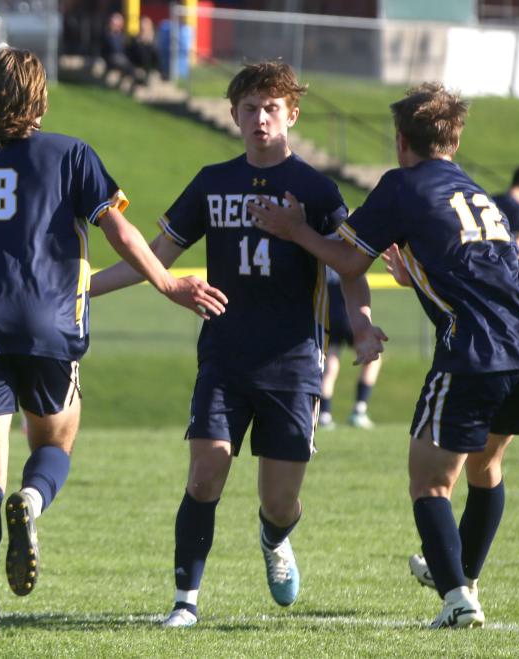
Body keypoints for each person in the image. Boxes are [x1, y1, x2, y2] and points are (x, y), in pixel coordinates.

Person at [0, 47, 226, 642]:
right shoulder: (70, 154)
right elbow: (120, 230)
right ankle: (33, 498)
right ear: (39, 98)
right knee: (55, 442)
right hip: (48, 330)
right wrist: (170, 283)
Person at [248, 82, 519, 629]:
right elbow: (493, 273)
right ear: (455, 143)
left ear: (400, 140)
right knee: (486, 469)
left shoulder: (403, 184)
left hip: (475, 352)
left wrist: (295, 228)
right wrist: (415, 272)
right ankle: (462, 574)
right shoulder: (480, 194)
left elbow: (346, 260)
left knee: (429, 482)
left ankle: (458, 597)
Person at [89, 60, 385, 628]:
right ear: (233, 115)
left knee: (279, 501)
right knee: (205, 474)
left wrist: (364, 324)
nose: (260, 119)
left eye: (272, 108)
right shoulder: (212, 181)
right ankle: (184, 602)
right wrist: (81, 290)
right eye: (249, 108)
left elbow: (350, 267)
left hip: (294, 363)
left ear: (291, 114)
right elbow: (154, 258)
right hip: (224, 357)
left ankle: (275, 537)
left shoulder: (316, 190)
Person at [318, 267, 382, 430]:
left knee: (330, 363)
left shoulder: (323, 251)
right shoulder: (347, 252)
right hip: (348, 313)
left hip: (327, 313)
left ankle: (324, 414)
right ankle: (359, 410)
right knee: (373, 358)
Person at [125, 16, 161, 81]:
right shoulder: (134, 40)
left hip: (152, 68)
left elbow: (156, 56)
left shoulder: (155, 40)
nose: (144, 27)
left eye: (146, 25)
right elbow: (131, 55)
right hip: (137, 67)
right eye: (142, 24)